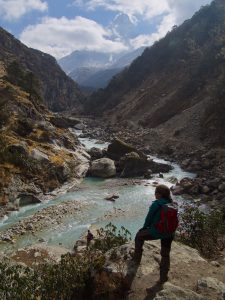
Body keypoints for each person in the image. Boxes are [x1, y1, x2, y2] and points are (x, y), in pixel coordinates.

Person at [133, 184, 175, 283]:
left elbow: (148, 219)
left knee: (139, 236)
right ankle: (163, 277)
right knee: (165, 254)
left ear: (159, 194)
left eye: (155, 193)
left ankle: (136, 260)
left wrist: (143, 229)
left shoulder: (156, 204)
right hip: (169, 232)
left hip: (157, 231)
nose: (154, 195)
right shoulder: (172, 203)